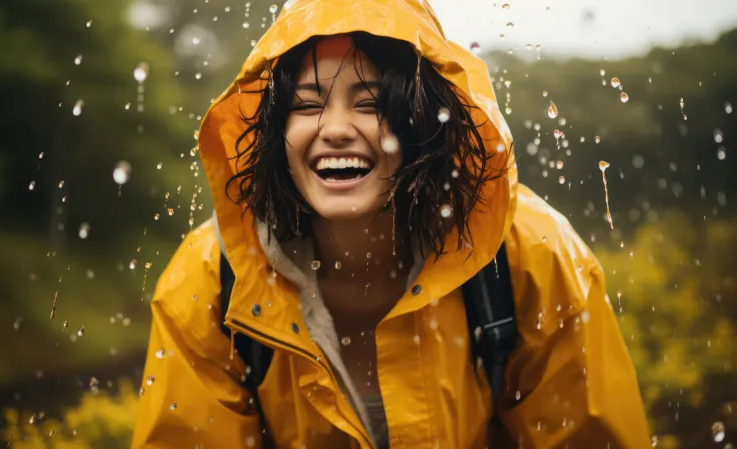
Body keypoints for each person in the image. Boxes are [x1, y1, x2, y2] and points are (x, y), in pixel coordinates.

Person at [131, 0, 651, 447]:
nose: (334, 129)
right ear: (274, 133)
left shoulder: (530, 255)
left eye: (373, 103)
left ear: (423, 122)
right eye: (306, 105)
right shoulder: (209, 282)